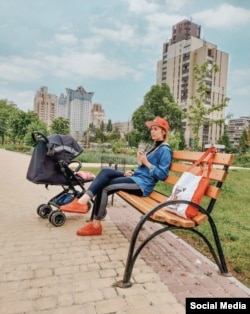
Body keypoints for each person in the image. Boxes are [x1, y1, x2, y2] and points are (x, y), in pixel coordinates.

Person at [60, 116, 172, 236]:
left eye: (155, 129)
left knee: (105, 187)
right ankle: (84, 204)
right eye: (151, 129)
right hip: (136, 177)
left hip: (142, 185)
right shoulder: (155, 147)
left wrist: (146, 163)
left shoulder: (165, 149)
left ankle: (94, 224)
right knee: (105, 172)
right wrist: (133, 171)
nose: (152, 131)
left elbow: (162, 174)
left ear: (164, 132)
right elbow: (144, 169)